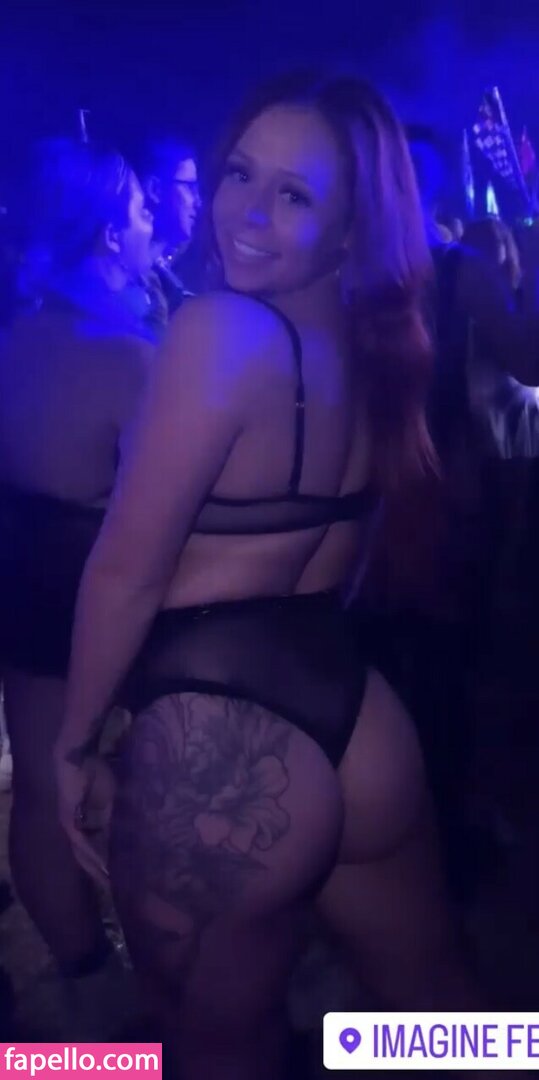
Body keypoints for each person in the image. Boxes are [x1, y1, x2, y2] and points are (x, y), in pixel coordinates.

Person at [55, 73, 481, 1079]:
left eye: (292, 195)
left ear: (348, 229)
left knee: (211, 1052)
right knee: (444, 1019)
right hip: (358, 722)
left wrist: (71, 746)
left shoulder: (218, 331)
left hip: (217, 743)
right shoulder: (372, 346)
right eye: (239, 174)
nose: (244, 213)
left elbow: (124, 572)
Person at [0, 138, 154, 1035]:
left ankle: (85, 973)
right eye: (138, 211)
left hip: (26, 595)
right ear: (106, 235)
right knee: (137, 794)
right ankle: (156, 1000)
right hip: (108, 607)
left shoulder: (15, 339)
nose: (150, 224)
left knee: (40, 793)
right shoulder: (127, 358)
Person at [133, 137, 202, 336]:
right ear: (155, 190)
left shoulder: (181, 266)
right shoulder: (129, 280)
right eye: (189, 187)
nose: (198, 202)